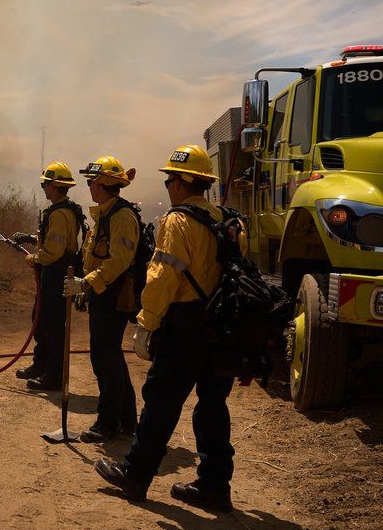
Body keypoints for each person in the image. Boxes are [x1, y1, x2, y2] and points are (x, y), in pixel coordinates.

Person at [94, 145, 244, 511]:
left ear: (182, 182)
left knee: (161, 402)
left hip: (185, 329)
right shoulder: (231, 221)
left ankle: (134, 474)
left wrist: (146, 324)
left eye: (169, 179)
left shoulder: (177, 221)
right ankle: (214, 485)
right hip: (222, 328)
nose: (167, 185)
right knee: (212, 406)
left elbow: (162, 276)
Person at [62, 156, 139, 442]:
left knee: (105, 358)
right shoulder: (105, 214)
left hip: (114, 296)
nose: (89, 187)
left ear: (104, 184)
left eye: (92, 182)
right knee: (108, 356)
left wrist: (87, 283)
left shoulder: (121, 217)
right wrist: (87, 287)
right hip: (102, 293)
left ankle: (108, 423)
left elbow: (119, 260)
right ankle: (127, 420)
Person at [14, 162, 84, 390]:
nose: (43, 188)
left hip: (57, 274)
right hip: (53, 273)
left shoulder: (61, 213)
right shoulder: (60, 210)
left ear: (55, 186)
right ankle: (40, 365)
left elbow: (53, 251)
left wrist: (32, 258)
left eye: (45, 184)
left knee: (53, 326)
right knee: (41, 319)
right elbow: (54, 240)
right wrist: (31, 238)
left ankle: (53, 375)